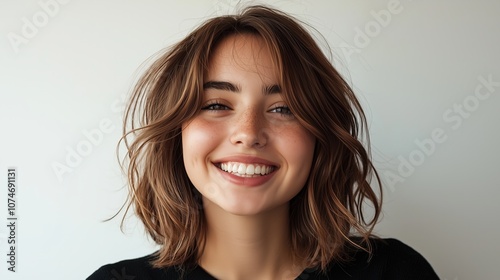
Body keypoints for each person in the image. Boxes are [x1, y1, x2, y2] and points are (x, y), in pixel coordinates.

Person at [88, 5, 439, 280]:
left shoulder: (395, 273)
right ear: (175, 132)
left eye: (283, 108)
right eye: (216, 105)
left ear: (321, 135)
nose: (249, 132)